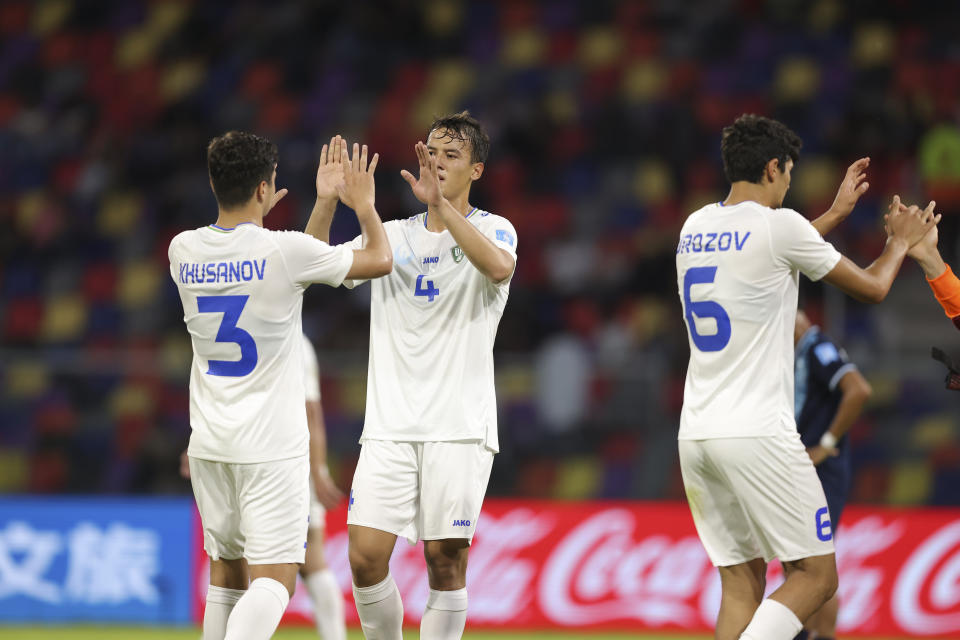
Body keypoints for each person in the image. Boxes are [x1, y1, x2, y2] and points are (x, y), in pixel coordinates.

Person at [675, 113, 938, 640]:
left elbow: (766, 256)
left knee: (742, 582)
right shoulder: (780, 228)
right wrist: (901, 244)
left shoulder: (695, 226)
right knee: (816, 575)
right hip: (759, 433)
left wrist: (834, 214)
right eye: (789, 172)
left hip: (697, 435)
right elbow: (873, 287)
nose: (790, 182)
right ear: (774, 167)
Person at [169, 131, 391, 640]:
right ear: (267, 188)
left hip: (210, 443)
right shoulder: (282, 250)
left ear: (212, 182)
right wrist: (361, 206)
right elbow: (378, 259)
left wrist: (320, 204)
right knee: (274, 580)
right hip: (269, 448)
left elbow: (288, 273)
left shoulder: (182, 250)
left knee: (226, 571)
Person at [341, 111, 517, 640]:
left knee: (445, 560)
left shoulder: (494, 228)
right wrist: (334, 204)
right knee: (365, 557)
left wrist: (442, 209)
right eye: (432, 152)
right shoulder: (390, 236)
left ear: (477, 170)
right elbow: (319, 269)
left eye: (452, 155)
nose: (437, 163)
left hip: (458, 426)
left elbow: (500, 268)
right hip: (390, 427)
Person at [793, 309, 872, 640]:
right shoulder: (804, 353)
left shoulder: (817, 349)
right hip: (809, 470)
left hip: (822, 470)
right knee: (808, 564)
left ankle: (811, 634)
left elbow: (859, 390)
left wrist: (825, 443)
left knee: (812, 567)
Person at [300, 332, 348, 640]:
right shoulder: (298, 342)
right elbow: (312, 412)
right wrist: (317, 471)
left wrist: (316, 472)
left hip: (269, 463)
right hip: (287, 463)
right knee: (313, 561)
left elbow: (311, 412)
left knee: (234, 567)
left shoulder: (292, 341)